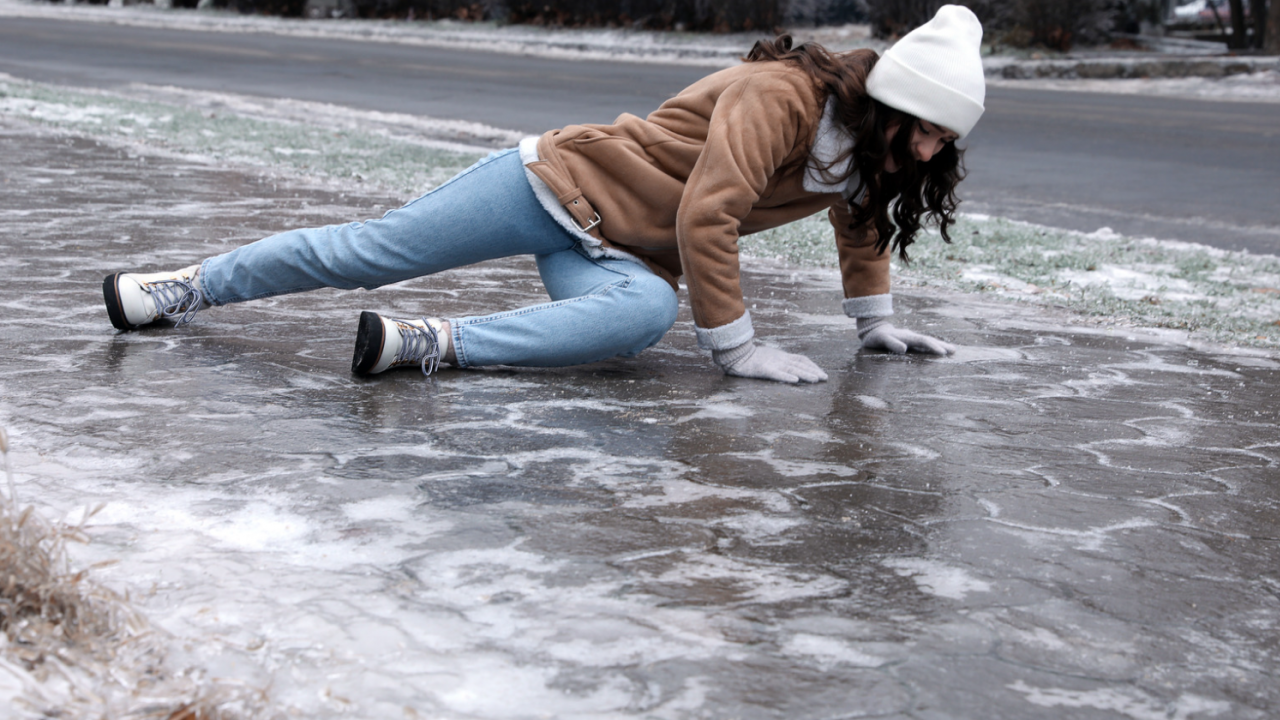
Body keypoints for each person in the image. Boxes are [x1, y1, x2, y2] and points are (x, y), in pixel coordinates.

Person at [102, 5, 985, 385]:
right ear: (890, 105)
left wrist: (873, 323)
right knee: (368, 254)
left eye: (948, 139)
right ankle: (182, 286)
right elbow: (708, 213)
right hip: (553, 183)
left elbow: (862, 218)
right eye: (930, 129)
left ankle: (427, 345)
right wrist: (738, 349)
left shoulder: (870, 152)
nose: (934, 149)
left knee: (638, 320)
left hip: (621, 251)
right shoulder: (782, 97)